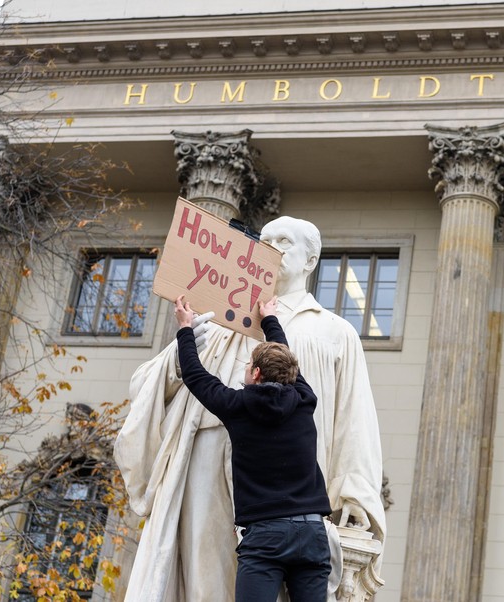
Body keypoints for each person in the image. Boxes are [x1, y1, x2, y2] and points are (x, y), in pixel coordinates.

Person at [114, 216, 385, 601]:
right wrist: (181, 350)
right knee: (204, 580)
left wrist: (356, 490)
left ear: (311, 260)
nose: (270, 247)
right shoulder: (219, 320)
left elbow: (355, 417)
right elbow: (147, 384)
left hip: (289, 481)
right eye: (266, 239)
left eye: (284, 241)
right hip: (205, 462)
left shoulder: (334, 330)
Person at [174, 293, 331, 601]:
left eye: (248, 365)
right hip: (312, 531)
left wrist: (185, 329)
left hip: (266, 535)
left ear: (256, 373)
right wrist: (270, 319)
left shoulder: (237, 405)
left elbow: (195, 376)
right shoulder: (304, 399)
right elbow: (286, 357)